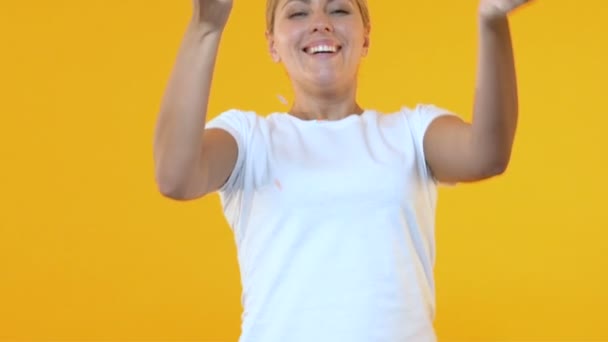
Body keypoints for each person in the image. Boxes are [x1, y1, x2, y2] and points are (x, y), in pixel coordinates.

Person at [153, 0, 531, 340]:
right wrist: (206, 28)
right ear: (271, 44)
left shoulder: (411, 132)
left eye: (339, 9)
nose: (321, 23)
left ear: (366, 39)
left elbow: (487, 154)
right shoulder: (251, 139)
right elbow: (175, 177)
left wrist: (492, 18)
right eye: (298, 12)